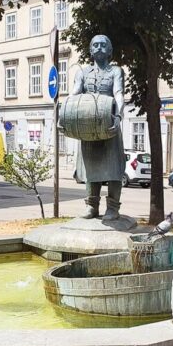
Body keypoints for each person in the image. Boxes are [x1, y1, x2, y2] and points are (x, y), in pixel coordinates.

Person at [69, 35, 125, 221]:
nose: (99, 47)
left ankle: (113, 208)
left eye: (103, 45)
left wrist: (118, 115)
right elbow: (75, 94)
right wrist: (65, 111)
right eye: (95, 45)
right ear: (91, 50)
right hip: (88, 126)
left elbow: (118, 93)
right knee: (90, 168)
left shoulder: (115, 71)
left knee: (113, 169)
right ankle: (91, 206)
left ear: (109, 50)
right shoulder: (82, 73)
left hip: (109, 125)